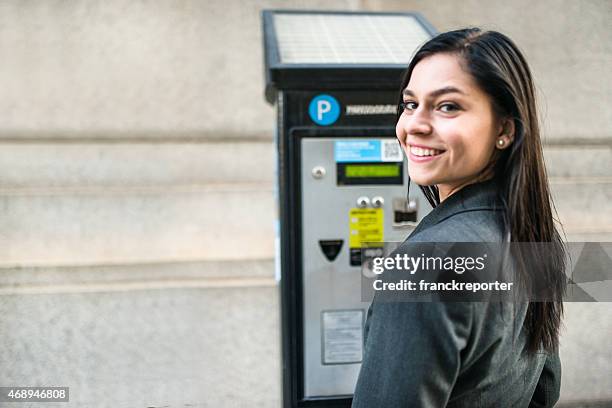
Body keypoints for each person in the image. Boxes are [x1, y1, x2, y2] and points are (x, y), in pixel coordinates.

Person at [352, 28, 567, 407]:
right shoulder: (534, 238)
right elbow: (544, 390)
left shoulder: (424, 264)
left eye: (448, 106)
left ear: (504, 129)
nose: (414, 125)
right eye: (409, 104)